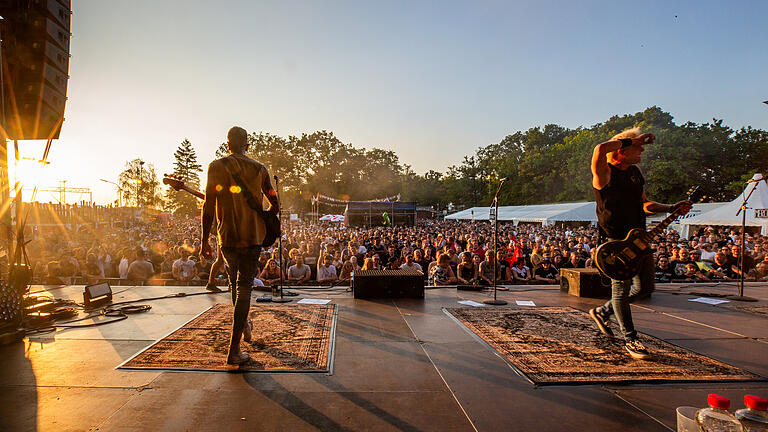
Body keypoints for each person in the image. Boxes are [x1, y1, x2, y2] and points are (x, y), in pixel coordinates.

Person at [588, 128, 691, 360]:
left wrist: (670, 207)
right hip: (615, 241)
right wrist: (632, 139)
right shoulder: (604, 173)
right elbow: (600, 149)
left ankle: (602, 311)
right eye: (638, 148)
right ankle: (630, 338)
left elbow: (644, 204)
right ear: (622, 150)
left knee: (644, 288)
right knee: (621, 289)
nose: (642, 151)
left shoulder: (634, 172)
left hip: (640, 237)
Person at [200, 126, 279, 366]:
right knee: (243, 289)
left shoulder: (216, 167)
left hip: (228, 238)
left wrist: (204, 240)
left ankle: (243, 325)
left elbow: (208, 205)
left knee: (235, 285)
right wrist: (265, 217)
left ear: (227, 144)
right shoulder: (259, 169)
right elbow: (274, 200)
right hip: (252, 236)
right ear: (247, 145)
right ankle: (234, 349)